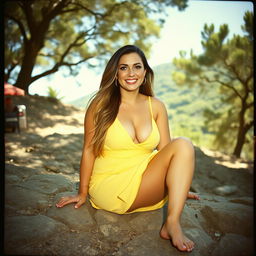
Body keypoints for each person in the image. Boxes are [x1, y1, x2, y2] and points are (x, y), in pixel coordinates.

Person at [56, 45, 199, 252]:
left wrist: (178, 186)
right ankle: (172, 225)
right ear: (116, 73)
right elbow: (88, 150)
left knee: (183, 144)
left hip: (144, 176)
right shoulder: (100, 105)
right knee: (183, 144)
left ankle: (172, 221)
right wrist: (82, 192)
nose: (131, 73)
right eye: (124, 68)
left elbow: (167, 152)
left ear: (145, 72)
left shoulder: (156, 106)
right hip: (112, 184)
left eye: (137, 67)